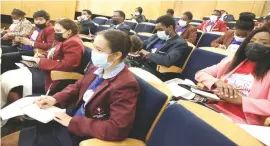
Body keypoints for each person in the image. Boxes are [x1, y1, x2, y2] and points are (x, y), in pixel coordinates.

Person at [1, 29, 140, 146]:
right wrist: (54, 99)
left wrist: (72, 122)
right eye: (94, 47)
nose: (94, 53)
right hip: (65, 117)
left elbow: (117, 129)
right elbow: (78, 85)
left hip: (80, 133)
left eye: (98, 50)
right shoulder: (98, 67)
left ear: (116, 55)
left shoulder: (125, 85)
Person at [1, 19, 84, 108]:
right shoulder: (65, 38)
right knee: (7, 78)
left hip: (54, 76)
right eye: (55, 30)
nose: (56, 33)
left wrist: (42, 62)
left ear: (69, 31)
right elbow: (53, 52)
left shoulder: (73, 42)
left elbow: (67, 65)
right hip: (47, 70)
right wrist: (43, 55)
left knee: (11, 80)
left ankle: (18, 109)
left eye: (58, 31)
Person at [195, 27, 270, 125]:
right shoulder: (231, 62)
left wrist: (242, 100)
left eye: (264, 43)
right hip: (212, 108)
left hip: (239, 121)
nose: (255, 44)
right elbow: (200, 73)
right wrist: (216, 82)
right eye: (252, 41)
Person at [137, 15, 189, 80]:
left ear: (170, 27)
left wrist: (147, 53)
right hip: (142, 63)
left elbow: (167, 60)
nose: (158, 32)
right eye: (157, 30)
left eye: (160, 29)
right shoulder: (157, 36)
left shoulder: (180, 43)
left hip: (157, 71)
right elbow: (144, 44)